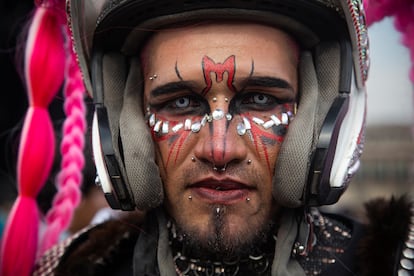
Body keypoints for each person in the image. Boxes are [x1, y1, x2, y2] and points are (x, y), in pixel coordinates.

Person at [2, 0, 414, 275]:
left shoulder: (397, 263)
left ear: (319, 114)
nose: (220, 149)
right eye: (181, 103)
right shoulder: (68, 268)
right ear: (128, 127)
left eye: (258, 99)